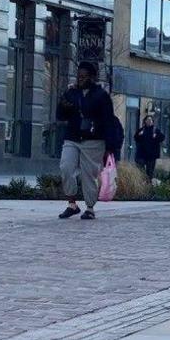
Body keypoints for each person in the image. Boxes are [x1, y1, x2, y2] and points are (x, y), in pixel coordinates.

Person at [55, 61, 116, 220]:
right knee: (66, 167)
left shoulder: (101, 96)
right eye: (78, 76)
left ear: (92, 77)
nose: (80, 79)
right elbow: (60, 116)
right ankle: (72, 203)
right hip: (73, 137)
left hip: (94, 139)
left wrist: (110, 147)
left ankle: (90, 208)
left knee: (88, 175)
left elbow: (109, 120)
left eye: (83, 76)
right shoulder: (71, 92)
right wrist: (63, 106)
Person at [133, 113, 164, 179]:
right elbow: (135, 138)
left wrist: (156, 137)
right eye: (147, 120)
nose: (149, 121)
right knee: (141, 170)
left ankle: (148, 185)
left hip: (152, 155)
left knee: (150, 172)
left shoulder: (155, 130)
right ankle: (142, 182)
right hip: (142, 154)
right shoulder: (141, 130)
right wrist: (139, 135)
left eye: (150, 120)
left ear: (152, 122)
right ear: (145, 121)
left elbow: (162, 138)